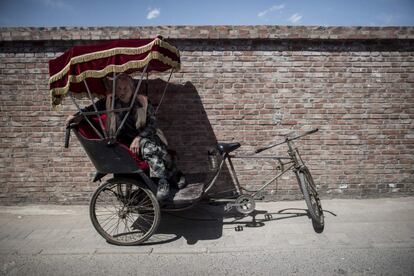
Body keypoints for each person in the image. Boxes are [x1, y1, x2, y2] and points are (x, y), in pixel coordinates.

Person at [66, 73, 185, 200]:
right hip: (123, 142)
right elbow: (90, 110)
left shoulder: (142, 101)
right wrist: (76, 115)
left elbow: (153, 124)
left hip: (145, 137)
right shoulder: (110, 101)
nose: (122, 92)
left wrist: (138, 138)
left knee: (149, 148)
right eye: (119, 89)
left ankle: (164, 181)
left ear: (132, 89)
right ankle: (171, 176)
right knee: (156, 151)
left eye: (125, 89)